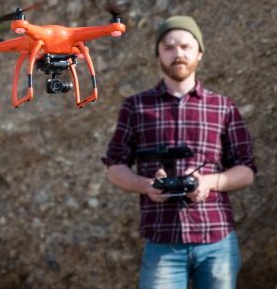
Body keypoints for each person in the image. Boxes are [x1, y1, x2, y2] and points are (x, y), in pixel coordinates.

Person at [102, 15, 257, 289]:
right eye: (169, 47)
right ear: (158, 54)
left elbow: (246, 171)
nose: (178, 54)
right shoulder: (135, 107)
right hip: (162, 241)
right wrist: (146, 185)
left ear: (200, 53)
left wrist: (208, 182)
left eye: (186, 46)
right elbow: (115, 167)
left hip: (217, 240)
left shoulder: (223, 107)